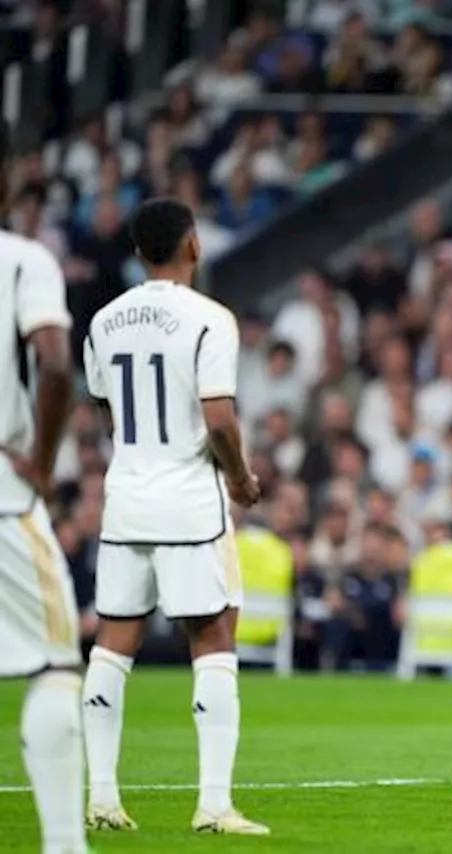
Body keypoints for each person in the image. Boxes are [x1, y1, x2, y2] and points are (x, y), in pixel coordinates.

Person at [79, 198, 269, 835]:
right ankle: (214, 805)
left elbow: (107, 411)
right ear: (194, 245)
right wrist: (240, 478)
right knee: (212, 641)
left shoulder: (103, 322)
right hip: (189, 499)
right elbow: (218, 417)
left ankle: (102, 798)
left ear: (138, 253)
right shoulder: (210, 319)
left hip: (127, 495)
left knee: (113, 643)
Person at [0, 126, 89, 854]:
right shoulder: (23, 260)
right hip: (3, 492)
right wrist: (41, 458)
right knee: (59, 662)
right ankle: (65, 846)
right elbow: (56, 364)